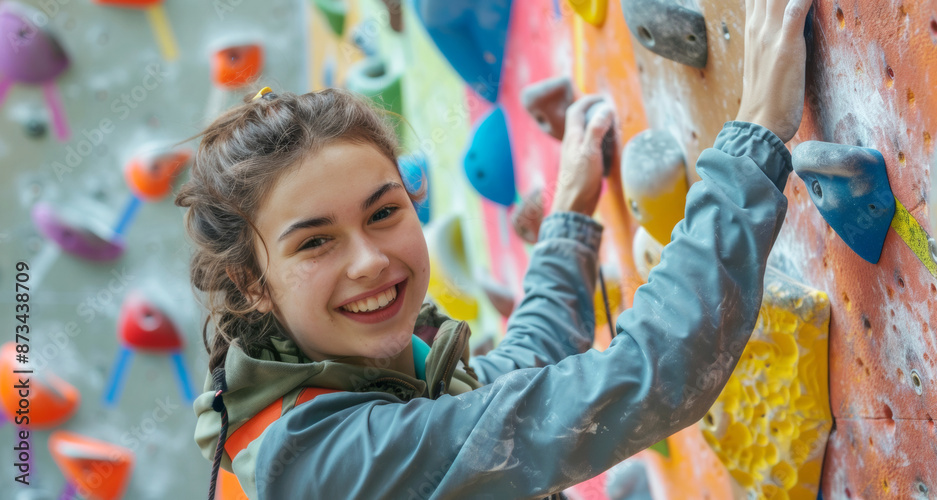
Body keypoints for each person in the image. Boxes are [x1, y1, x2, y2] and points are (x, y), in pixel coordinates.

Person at [184, 0, 811, 497]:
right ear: (252, 283)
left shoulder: (344, 376)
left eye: (383, 212)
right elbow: (645, 380)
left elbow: (515, 380)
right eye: (315, 242)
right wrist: (755, 134)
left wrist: (566, 225)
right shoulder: (330, 464)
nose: (370, 260)